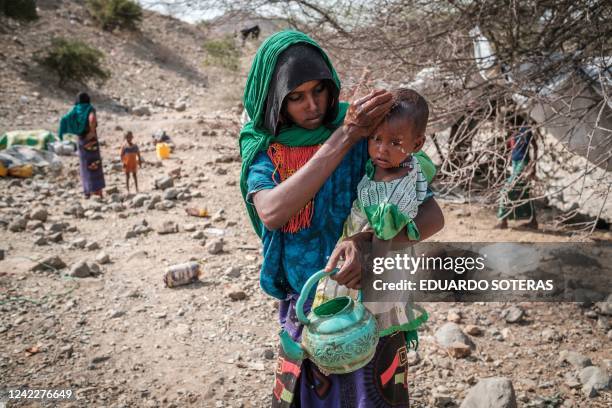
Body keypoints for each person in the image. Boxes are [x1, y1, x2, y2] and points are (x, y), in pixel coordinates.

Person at [239, 31, 444, 407]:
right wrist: (344, 136)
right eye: (296, 97)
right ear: (273, 99)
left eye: (319, 90)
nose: (313, 105)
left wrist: (369, 246)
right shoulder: (269, 148)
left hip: (369, 293)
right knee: (312, 391)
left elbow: (428, 211)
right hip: (307, 299)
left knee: (373, 393)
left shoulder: (371, 134)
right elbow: (271, 212)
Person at [312, 88, 435, 345]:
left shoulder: (396, 190)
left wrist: (370, 277)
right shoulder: (401, 165)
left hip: (374, 265)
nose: (381, 150)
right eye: (376, 139)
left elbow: (383, 236)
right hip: (365, 251)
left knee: (360, 326)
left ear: (417, 144)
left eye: (395, 143)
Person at [59, 92, 105, 198]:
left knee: (84, 166)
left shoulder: (75, 109)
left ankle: (87, 192)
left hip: (81, 140)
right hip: (91, 140)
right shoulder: (89, 108)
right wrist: (92, 131)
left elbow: (64, 119)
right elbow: (92, 119)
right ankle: (98, 191)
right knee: (95, 164)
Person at [495, 115, 538, 230]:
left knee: (506, 190)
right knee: (524, 192)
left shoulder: (524, 130)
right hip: (515, 164)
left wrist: (533, 166)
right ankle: (533, 221)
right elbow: (511, 149)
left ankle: (503, 220)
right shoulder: (513, 132)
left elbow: (535, 146)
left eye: (508, 123)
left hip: (523, 163)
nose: (507, 126)